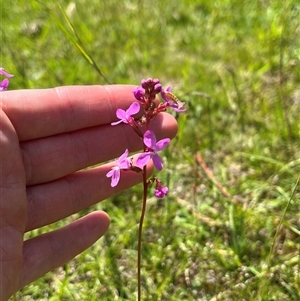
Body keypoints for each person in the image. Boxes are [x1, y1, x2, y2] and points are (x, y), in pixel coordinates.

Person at [0, 85, 178, 301]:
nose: (129, 119)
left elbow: (150, 145)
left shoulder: (149, 145)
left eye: (131, 119)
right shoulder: (138, 133)